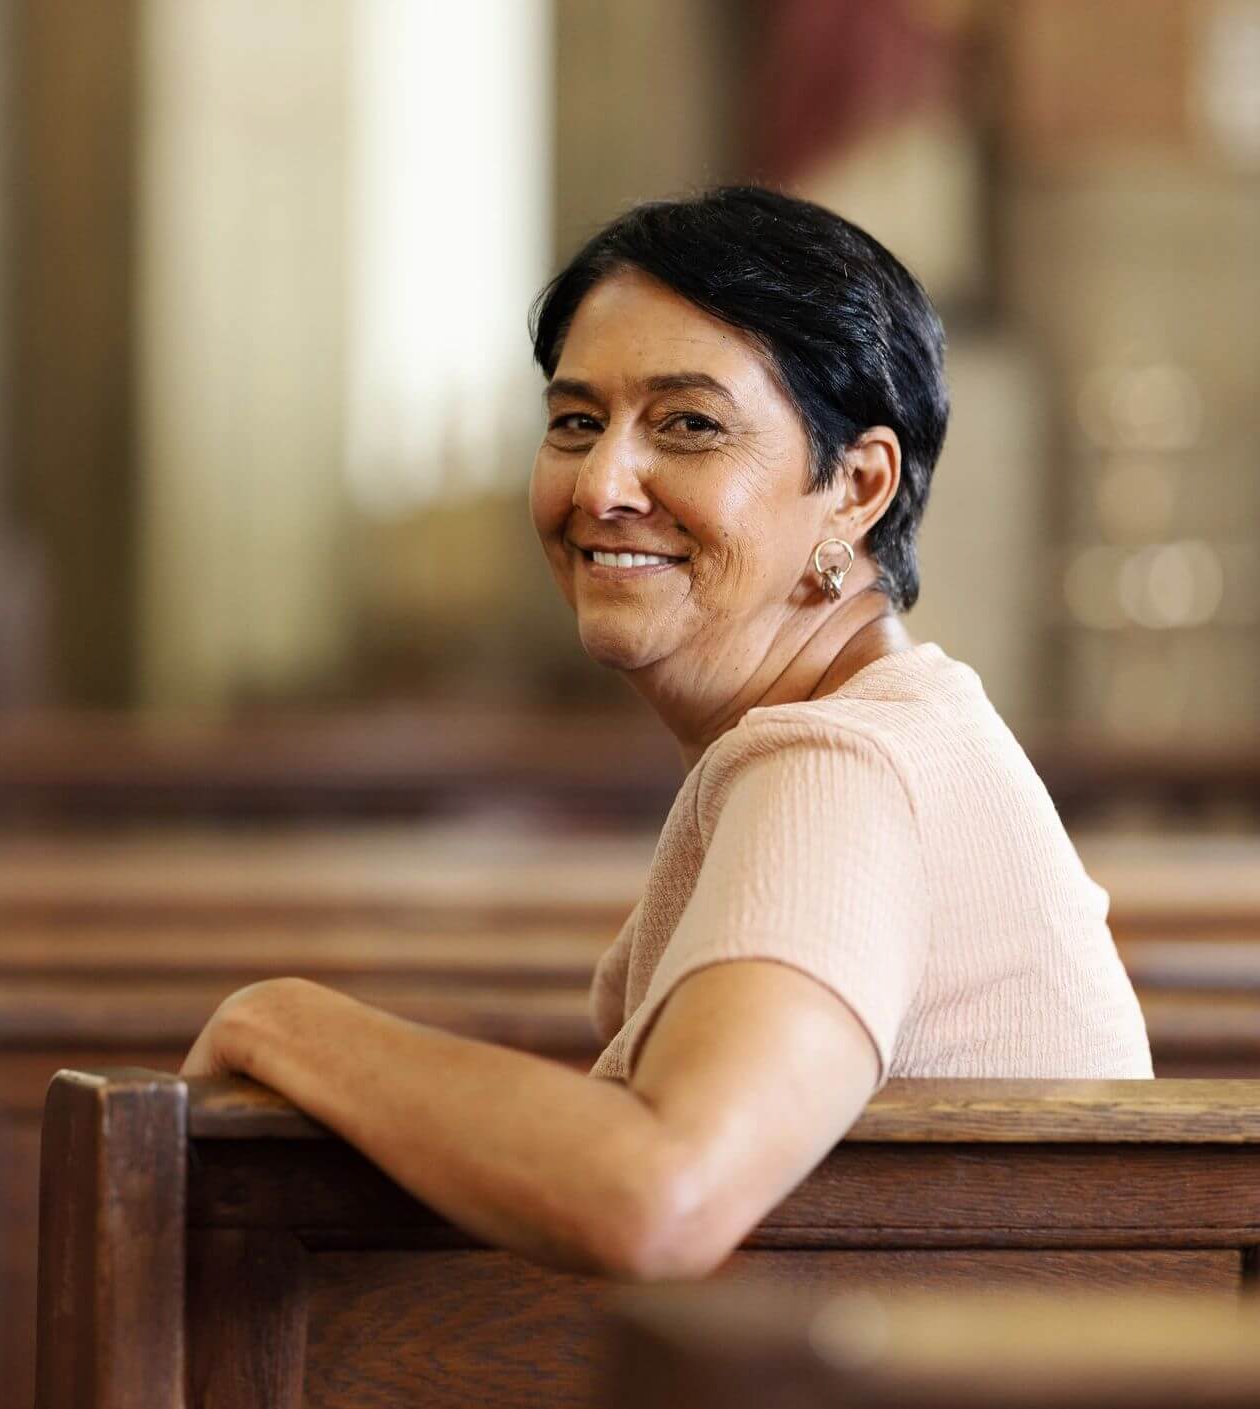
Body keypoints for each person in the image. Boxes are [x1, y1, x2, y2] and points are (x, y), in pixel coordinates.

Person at [180, 186, 1152, 1280]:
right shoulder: (896, 726)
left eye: (688, 424)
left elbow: (657, 1193)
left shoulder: (841, 765)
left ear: (857, 485)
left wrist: (282, 1019)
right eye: (575, 421)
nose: (601, 484)